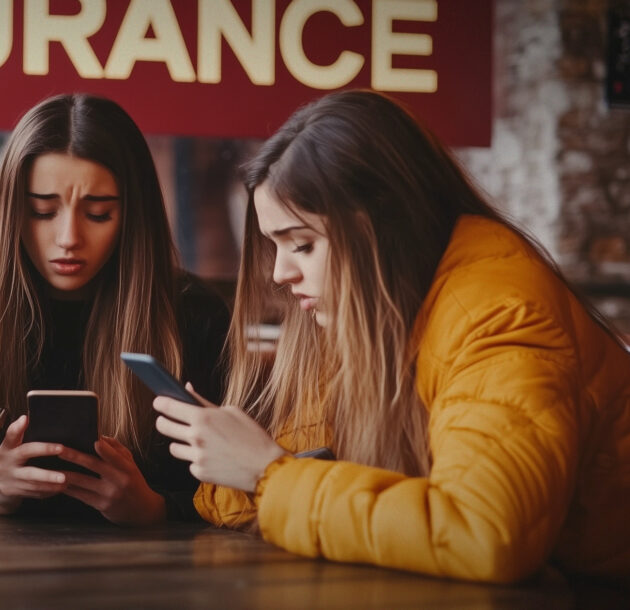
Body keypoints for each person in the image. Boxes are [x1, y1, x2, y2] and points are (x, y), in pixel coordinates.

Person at [153, 89, 630, 583]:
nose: (279, 274)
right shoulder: (380, 312)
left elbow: (484, 535)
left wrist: (267, 475)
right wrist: (230, 463)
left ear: (380, 229)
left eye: (302, 244)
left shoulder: (498, 314)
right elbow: (306, 452)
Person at [0, 94, 230, 526]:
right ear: (11, 211)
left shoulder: (194, 315)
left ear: (133, 215)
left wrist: (153, 507)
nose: (68, 238)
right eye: (43, 211)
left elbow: (232, 491)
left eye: (98, 214)